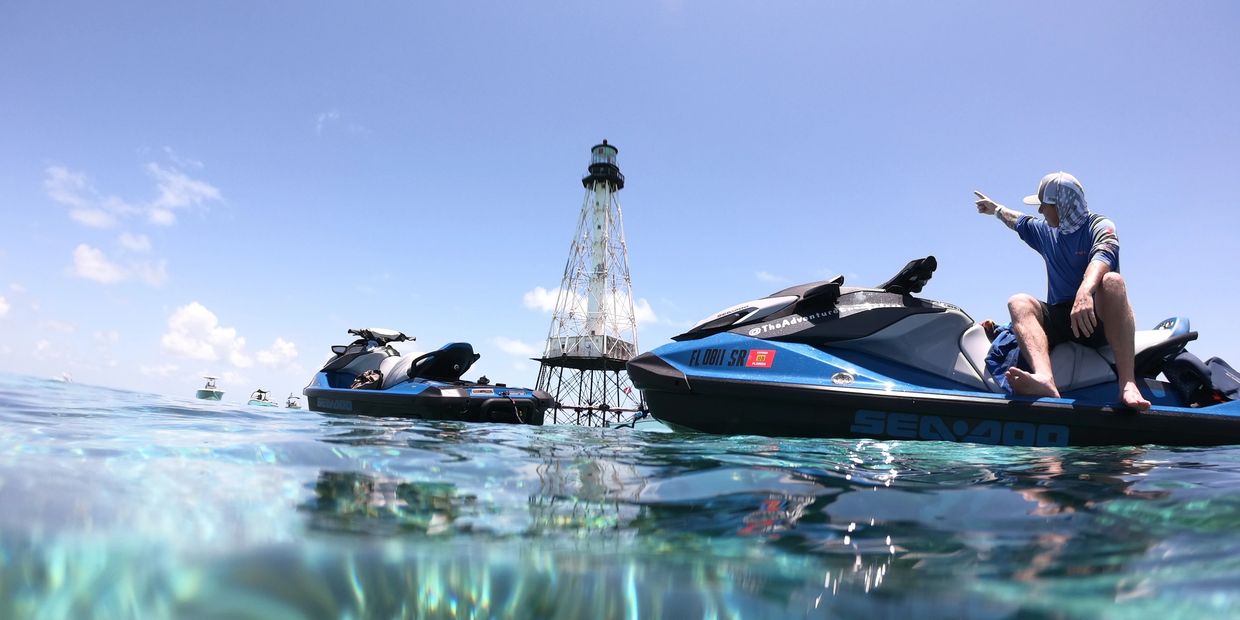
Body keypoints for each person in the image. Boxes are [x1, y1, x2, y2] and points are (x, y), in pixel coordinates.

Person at [974, 172, 1151, 411]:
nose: (1040, 212)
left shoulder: (1099, 225)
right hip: (1063, 318)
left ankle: (1127, 384)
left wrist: (1085, 292)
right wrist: (995, 210)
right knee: (1019, 302)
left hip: (1097, 318)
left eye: (1044, 206)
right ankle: (1045, 379)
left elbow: (1104, 255)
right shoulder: (1047, 231)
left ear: (1061, 205)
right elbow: (1018, 220)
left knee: (1112, 281)